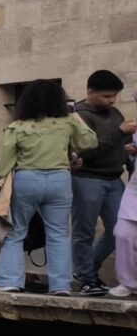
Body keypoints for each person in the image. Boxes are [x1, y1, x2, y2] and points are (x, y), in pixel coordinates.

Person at [0, 78, 95, 294]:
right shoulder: (67, 122)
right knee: (58, 233)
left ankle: (10, 280)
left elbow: (5, 165)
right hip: (60, 178)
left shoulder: (16, 126)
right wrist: (74, 116)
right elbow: (88, 143)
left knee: (16, 231)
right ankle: (60, 285)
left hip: (26, 179)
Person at [67, 70, 126, 295]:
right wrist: (120, 134)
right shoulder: (79, 115)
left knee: (120, 229)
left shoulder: (115, 113)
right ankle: (87, 279)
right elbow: (83, 151)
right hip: (87, 178)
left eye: (114, 96)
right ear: (90, 91)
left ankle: (87, 271)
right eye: (106, 96)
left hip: (114, 178)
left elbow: (122, 144)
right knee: (84, 231)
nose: (111, 101)